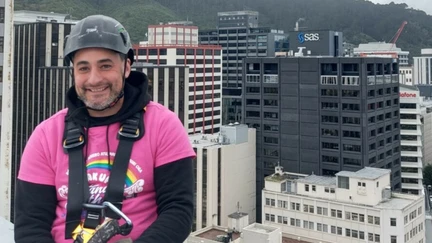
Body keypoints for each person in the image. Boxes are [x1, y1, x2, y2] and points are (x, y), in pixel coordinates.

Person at [14, 15, 195, 243]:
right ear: (73, 73)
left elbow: (178, 211)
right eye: (83, 68)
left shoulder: (162, 125)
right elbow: (30, 225)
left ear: (127, 67)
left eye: (105, 65)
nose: (94, 79)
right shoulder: (45, 136)